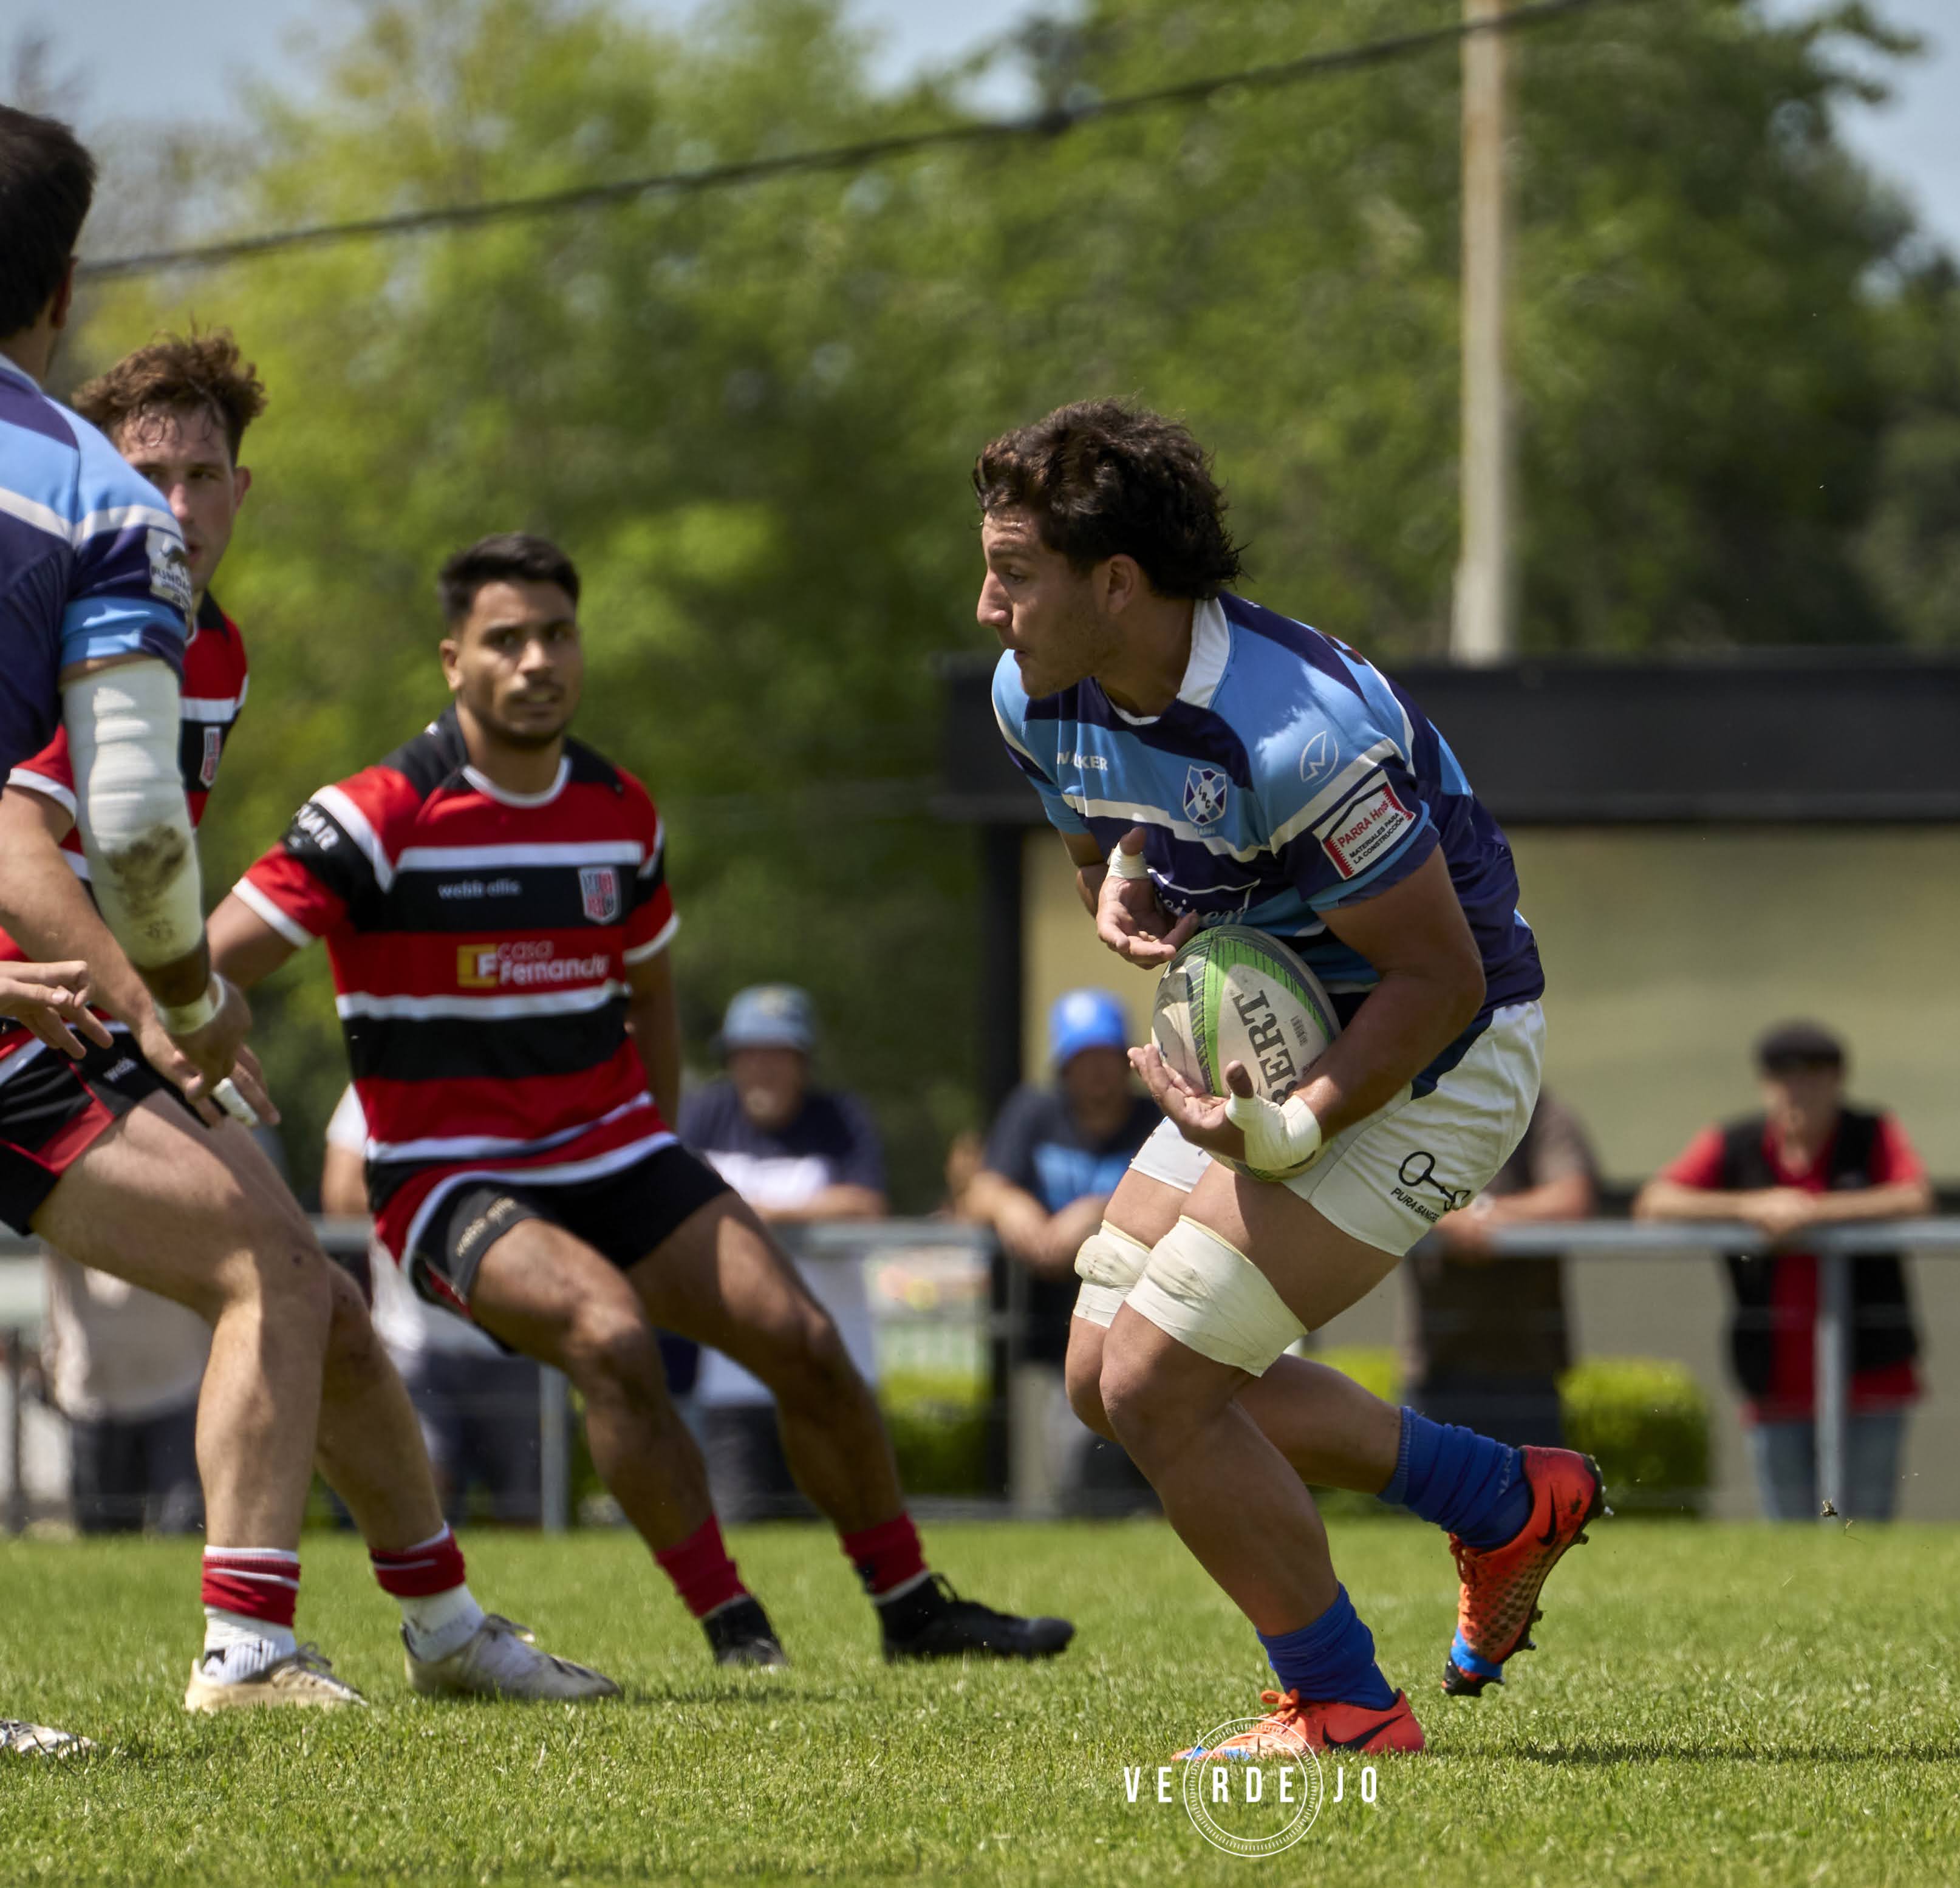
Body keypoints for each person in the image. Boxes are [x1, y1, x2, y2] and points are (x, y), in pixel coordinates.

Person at [210, 531, 1072, 1668]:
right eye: (504, 640)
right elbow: (213, 954)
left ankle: (915, 1608)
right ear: (452, 661)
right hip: (446, 1174)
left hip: (616, 1150)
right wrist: (198, 1020)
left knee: (805, 1341)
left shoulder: (620, 809)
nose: (536, 661)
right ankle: (735, 1624)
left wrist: (657, 1146)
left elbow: (653, 990)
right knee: (610, 1336)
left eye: (556, 634)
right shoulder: (378, 813)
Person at [0, 146, 611, 1713]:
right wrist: (166, 997)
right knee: (274, 1264)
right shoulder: (85, 546)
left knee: (316, 1301)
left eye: (206, 476)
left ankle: (447, 1626)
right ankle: (248, 1644)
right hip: (40, 1019)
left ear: (242, 488)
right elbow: (30, 835)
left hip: (59, 1007)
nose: (179, 504)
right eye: (158, 473)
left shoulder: (213, 648)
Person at [983, 399, 1594, 1760]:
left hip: (1439, 1055)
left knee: (1158, 1387)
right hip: (1285, 1048)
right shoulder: (1035, 692)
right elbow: (1099, 833)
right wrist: (1120, 882)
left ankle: (1344, 1705)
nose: (986, 605)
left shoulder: (1297, 734)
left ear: (1118, 586)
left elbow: (1440, 980)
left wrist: (1286, 1126)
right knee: (1103, 1375)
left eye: (1014, 572)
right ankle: (1501, 1500)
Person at [1633, 1022, 1930, 1521]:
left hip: (1873, 1373)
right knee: (1788, 1528)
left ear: (1839, 1079)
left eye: (1815, 1074)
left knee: (1866, 1527)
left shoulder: (1872, 1132)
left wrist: (1814, 1212)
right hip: (1773, 1377)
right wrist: (1751, 1206)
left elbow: (1913, 1198)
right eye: (1784, 1075)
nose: (1799, 1088)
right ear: (1765, 1083)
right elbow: (1655, 1202)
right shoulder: (1733, 1142)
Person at [679, 983, 886, 1521]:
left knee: (846, 1522)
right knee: (742, 1528)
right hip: (733, 1371)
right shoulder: (705, 1114)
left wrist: (763, 1212)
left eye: (778, 1055)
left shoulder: (840, 1117)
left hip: (833, 1363)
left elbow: (866, 1204)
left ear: (803, 1061)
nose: (763, 1069)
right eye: (749, 1054)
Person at [956, 987, 1163, 1515]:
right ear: (1062, 1066)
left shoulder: (1155, 1120)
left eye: (1105, 1058)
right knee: (1071, 1462)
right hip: (1053, 1329)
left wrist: (1097, 1210)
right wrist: (1011, 1206)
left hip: (1144, 1319)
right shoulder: (1033, 1113)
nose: (1095, 1072)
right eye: (1081, 1059)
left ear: (1126, 1062)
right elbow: (980, 1191)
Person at [324, 1086, 542, 1525]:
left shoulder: (520, 1062)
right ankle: (436, 1594)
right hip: (411, 1344)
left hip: (516, 1341)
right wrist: (445, 1203)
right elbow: (341, 1196)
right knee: (418, 1502)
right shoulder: (378, 1074)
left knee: (528, 1511)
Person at [1405, 1089, 1599, 1450]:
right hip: (1437, 1368)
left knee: (1530, 1500)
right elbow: (1382, 1188)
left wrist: (1483, 1218)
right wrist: (1447, 1222)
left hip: (1528, 1372)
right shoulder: (1417, 1103)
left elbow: (1571, 1200)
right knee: (1430, 1501)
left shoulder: (1540, 1110)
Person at [41, 1253, 206, 1533]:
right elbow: (55, 1299)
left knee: (184, 1526)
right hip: (92, 1401)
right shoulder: (68, 1223)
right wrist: (54, 1366)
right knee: (102, 1536)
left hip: (176, 1395)